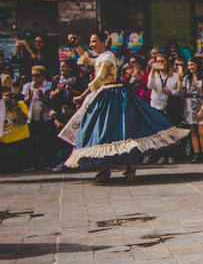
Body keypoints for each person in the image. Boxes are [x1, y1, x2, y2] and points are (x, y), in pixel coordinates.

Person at [57, 32, 188, 181]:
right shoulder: (102, 56)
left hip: (113, 96)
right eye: (91, 42)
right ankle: (105, 168)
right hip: (103, 96)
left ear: (104, 42)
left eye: (94, 41)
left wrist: (82, 96)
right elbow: (89, 60)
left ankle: (129, 166)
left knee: (121, 132)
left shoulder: (108, 57)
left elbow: (99, 79)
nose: (92, 44)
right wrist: (77, 45)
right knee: (103, 133)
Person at [181, 57, 203, 163]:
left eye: (192, 65)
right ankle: (196, 153)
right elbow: (181, 92)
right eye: (189, 65)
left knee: (202, 131)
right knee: (193, 131)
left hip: (201, 104)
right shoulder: (186, 79)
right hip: (189, 105)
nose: (190, 67)